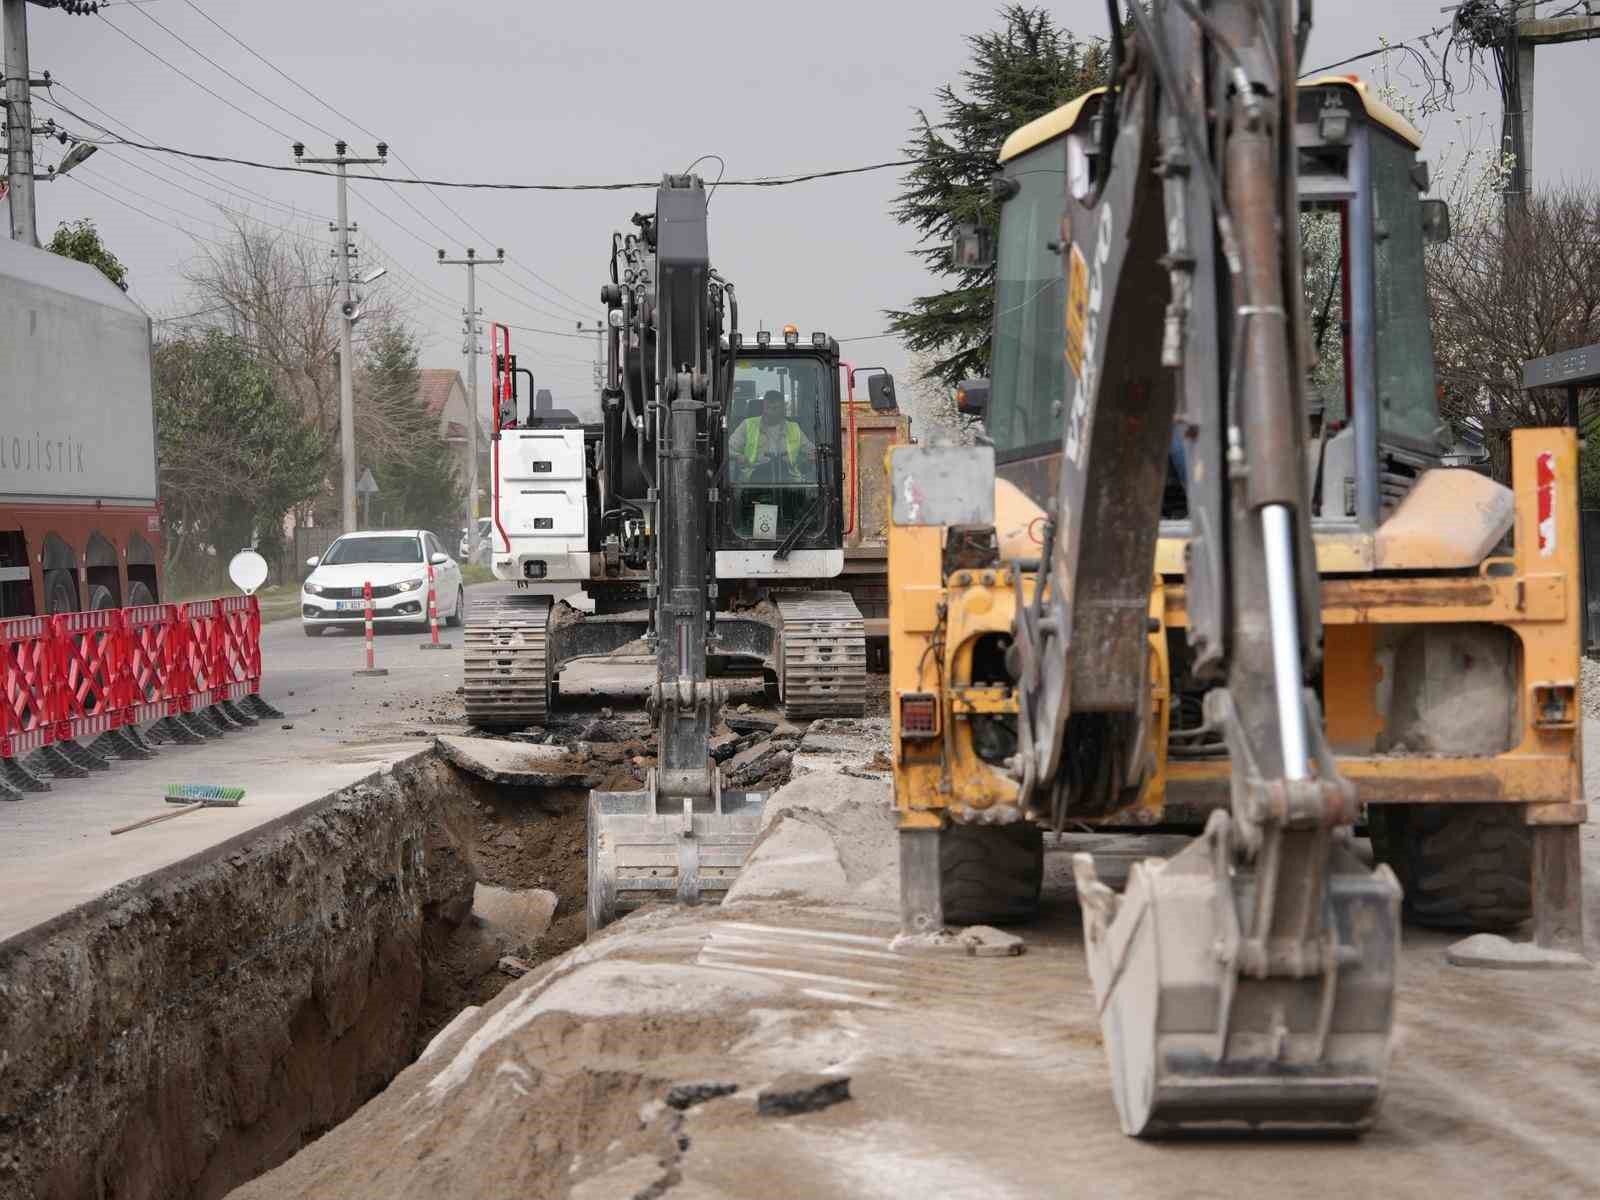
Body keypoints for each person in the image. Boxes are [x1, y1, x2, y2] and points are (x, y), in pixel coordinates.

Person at [730, 390, 815, 480]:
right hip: (753, 481)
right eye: (768, 408)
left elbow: (812, 452)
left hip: (790, 480)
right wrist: (738, 456)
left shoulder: (794, 428)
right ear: (763, 407)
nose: (770, 412)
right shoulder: (747, 425)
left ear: (783, 409)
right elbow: (728, 448)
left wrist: (809, 459)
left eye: (775, 408)